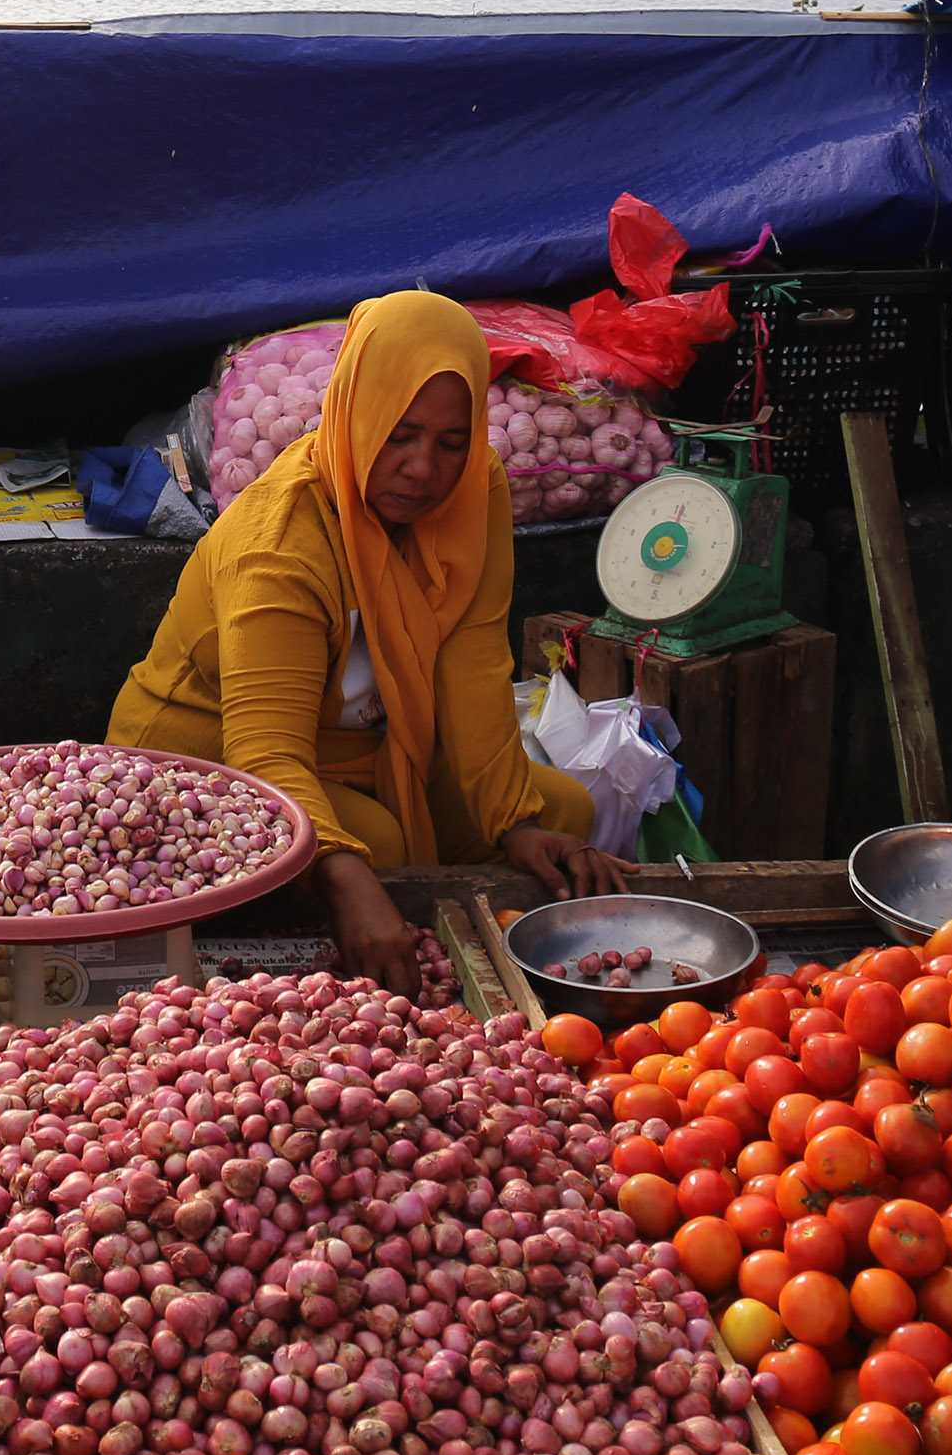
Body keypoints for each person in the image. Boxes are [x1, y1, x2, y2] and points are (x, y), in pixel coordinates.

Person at [111, 290, 634, 995]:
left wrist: (514, 823)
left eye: (452, 441)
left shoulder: (473, 490)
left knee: (562, 811)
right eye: (399, 434)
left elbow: (476, 667)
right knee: (374, 850)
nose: (424, 469)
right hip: (203, 751)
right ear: (357, 411)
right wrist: (346, 873)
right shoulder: (280, 544)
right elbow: (268, 752)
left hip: (359, 742)